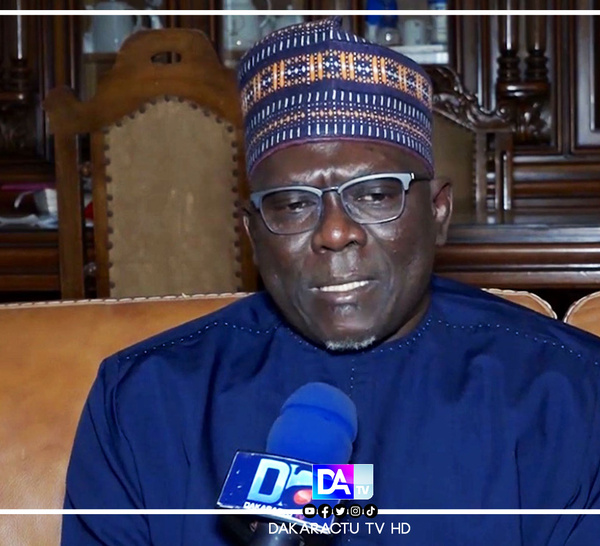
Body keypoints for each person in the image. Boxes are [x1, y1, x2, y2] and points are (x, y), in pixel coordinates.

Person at [61, 17, 600, 545]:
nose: (335, 232)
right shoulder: (146, 401)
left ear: (438, 211)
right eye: (293, 204)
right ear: (253, 233)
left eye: (375, 194)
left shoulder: (569, 395)